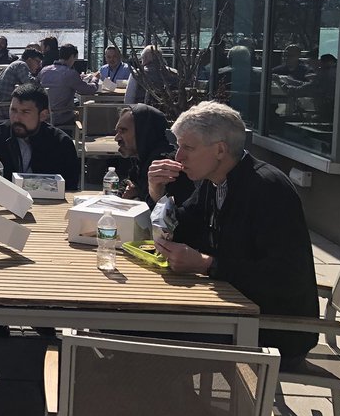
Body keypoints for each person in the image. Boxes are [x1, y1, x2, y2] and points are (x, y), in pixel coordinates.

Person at [147, 102, 318, 364]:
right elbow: (182, 227)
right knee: (137, 325)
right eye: (178, 147)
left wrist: (206, 264)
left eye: (188, 148)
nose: (178, 157)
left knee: (145, 336)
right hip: (232, 310)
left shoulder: (267, 189)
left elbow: (285, 277)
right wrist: (156, 191)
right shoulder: (214, 181)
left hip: (274, 329)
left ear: (220, 150)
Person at [0, 83, 80, 189]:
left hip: (49, 204)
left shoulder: (61, 144)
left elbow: (70, 189)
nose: (16, 118)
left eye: (25, 112)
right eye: (13, 110)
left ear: (43, 115)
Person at [114, 104, 194, 208]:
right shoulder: (142, 158)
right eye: (117, 131)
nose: (117, 138)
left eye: (123, 131)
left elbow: (166, 213)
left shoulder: (165, 164)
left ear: (143, 132)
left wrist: (139, 196)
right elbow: (128, 183)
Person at [37, 43, 96, 128]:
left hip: (44, 115)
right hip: (62, 115)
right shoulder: (70, 73)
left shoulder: (44, 70)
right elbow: (89, 90)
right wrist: (95, 79)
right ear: (72, 56)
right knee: (83, 111)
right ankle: (83, 136)